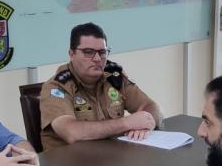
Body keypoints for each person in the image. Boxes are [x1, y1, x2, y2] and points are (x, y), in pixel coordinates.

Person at [39, 22, 164, 150]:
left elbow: (151, 106)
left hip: (110, 158)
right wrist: (126, 123)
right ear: (72, 54)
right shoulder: (57, 87)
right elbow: (71, 132)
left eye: (102, 52)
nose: (97, 58)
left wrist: (146, 124)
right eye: (88, 52)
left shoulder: (113, 76)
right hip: (69, 165)